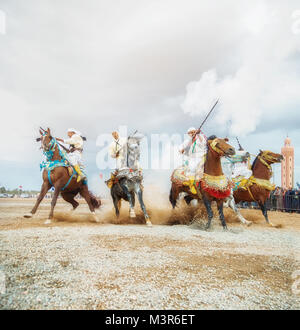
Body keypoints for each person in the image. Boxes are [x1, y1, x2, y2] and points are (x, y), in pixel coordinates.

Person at [178, 127, 207, 194]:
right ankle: (192, 186)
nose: (192, 133)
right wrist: (181, 150)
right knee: (191, 169)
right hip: (192, 158)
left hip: (202, 156)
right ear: (188, 134)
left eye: (193, 132)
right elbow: (181, 147)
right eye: (191, 133)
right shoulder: (187, 141)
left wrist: (199, 134)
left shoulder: (200, 138)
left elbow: (204, 143)